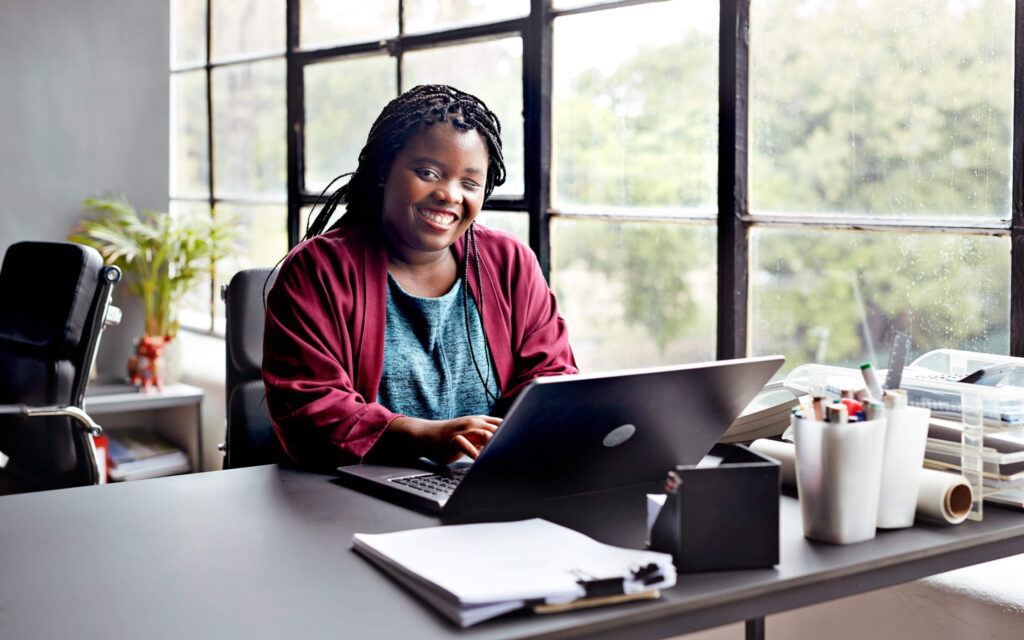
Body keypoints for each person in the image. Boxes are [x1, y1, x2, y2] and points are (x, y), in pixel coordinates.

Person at [262, 84, 577, 469]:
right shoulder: (317, 271)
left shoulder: (511, 263)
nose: (449, 194)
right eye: (428, 172)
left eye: (469, 183)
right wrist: (426, 437)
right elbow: (310, 409)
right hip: (349, 494)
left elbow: (552, 379)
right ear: (383, 171)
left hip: (483, 487)